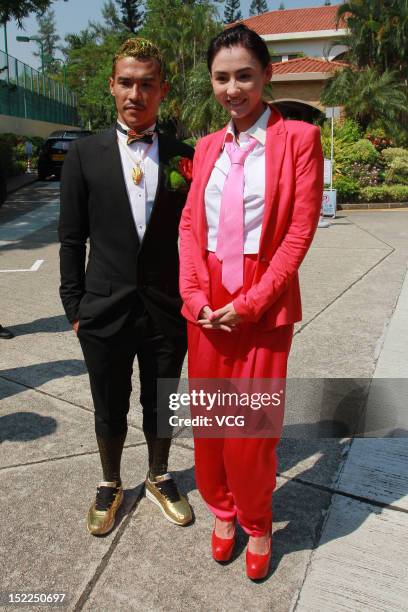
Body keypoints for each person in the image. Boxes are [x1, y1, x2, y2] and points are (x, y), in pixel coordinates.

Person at [179, 25, 323, 580]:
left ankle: (257, 521)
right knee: (212, 421)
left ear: (265, 75)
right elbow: (192, 223)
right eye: (222, 77)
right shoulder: (209, 146)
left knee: (253, 430)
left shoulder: (299, 140)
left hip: (263, 299)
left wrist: (254, 301)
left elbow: (299, 232)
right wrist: (193, 293)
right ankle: (222, 509)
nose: (233, 88)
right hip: (208, 298)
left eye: (244, 75)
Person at [59, 38, 194, 536]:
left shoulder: (185, 156)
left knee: (162, 399)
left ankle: (159, 475)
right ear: (112, 86)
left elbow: (198, 236)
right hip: (103, 308)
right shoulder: (84, 154)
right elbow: (71, 240)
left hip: (165, 306)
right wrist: (75, 307)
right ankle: (111, 481)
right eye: (126, 82)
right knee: (108, 404)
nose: (135, 93)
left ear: (162, 89)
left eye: (147, 83)